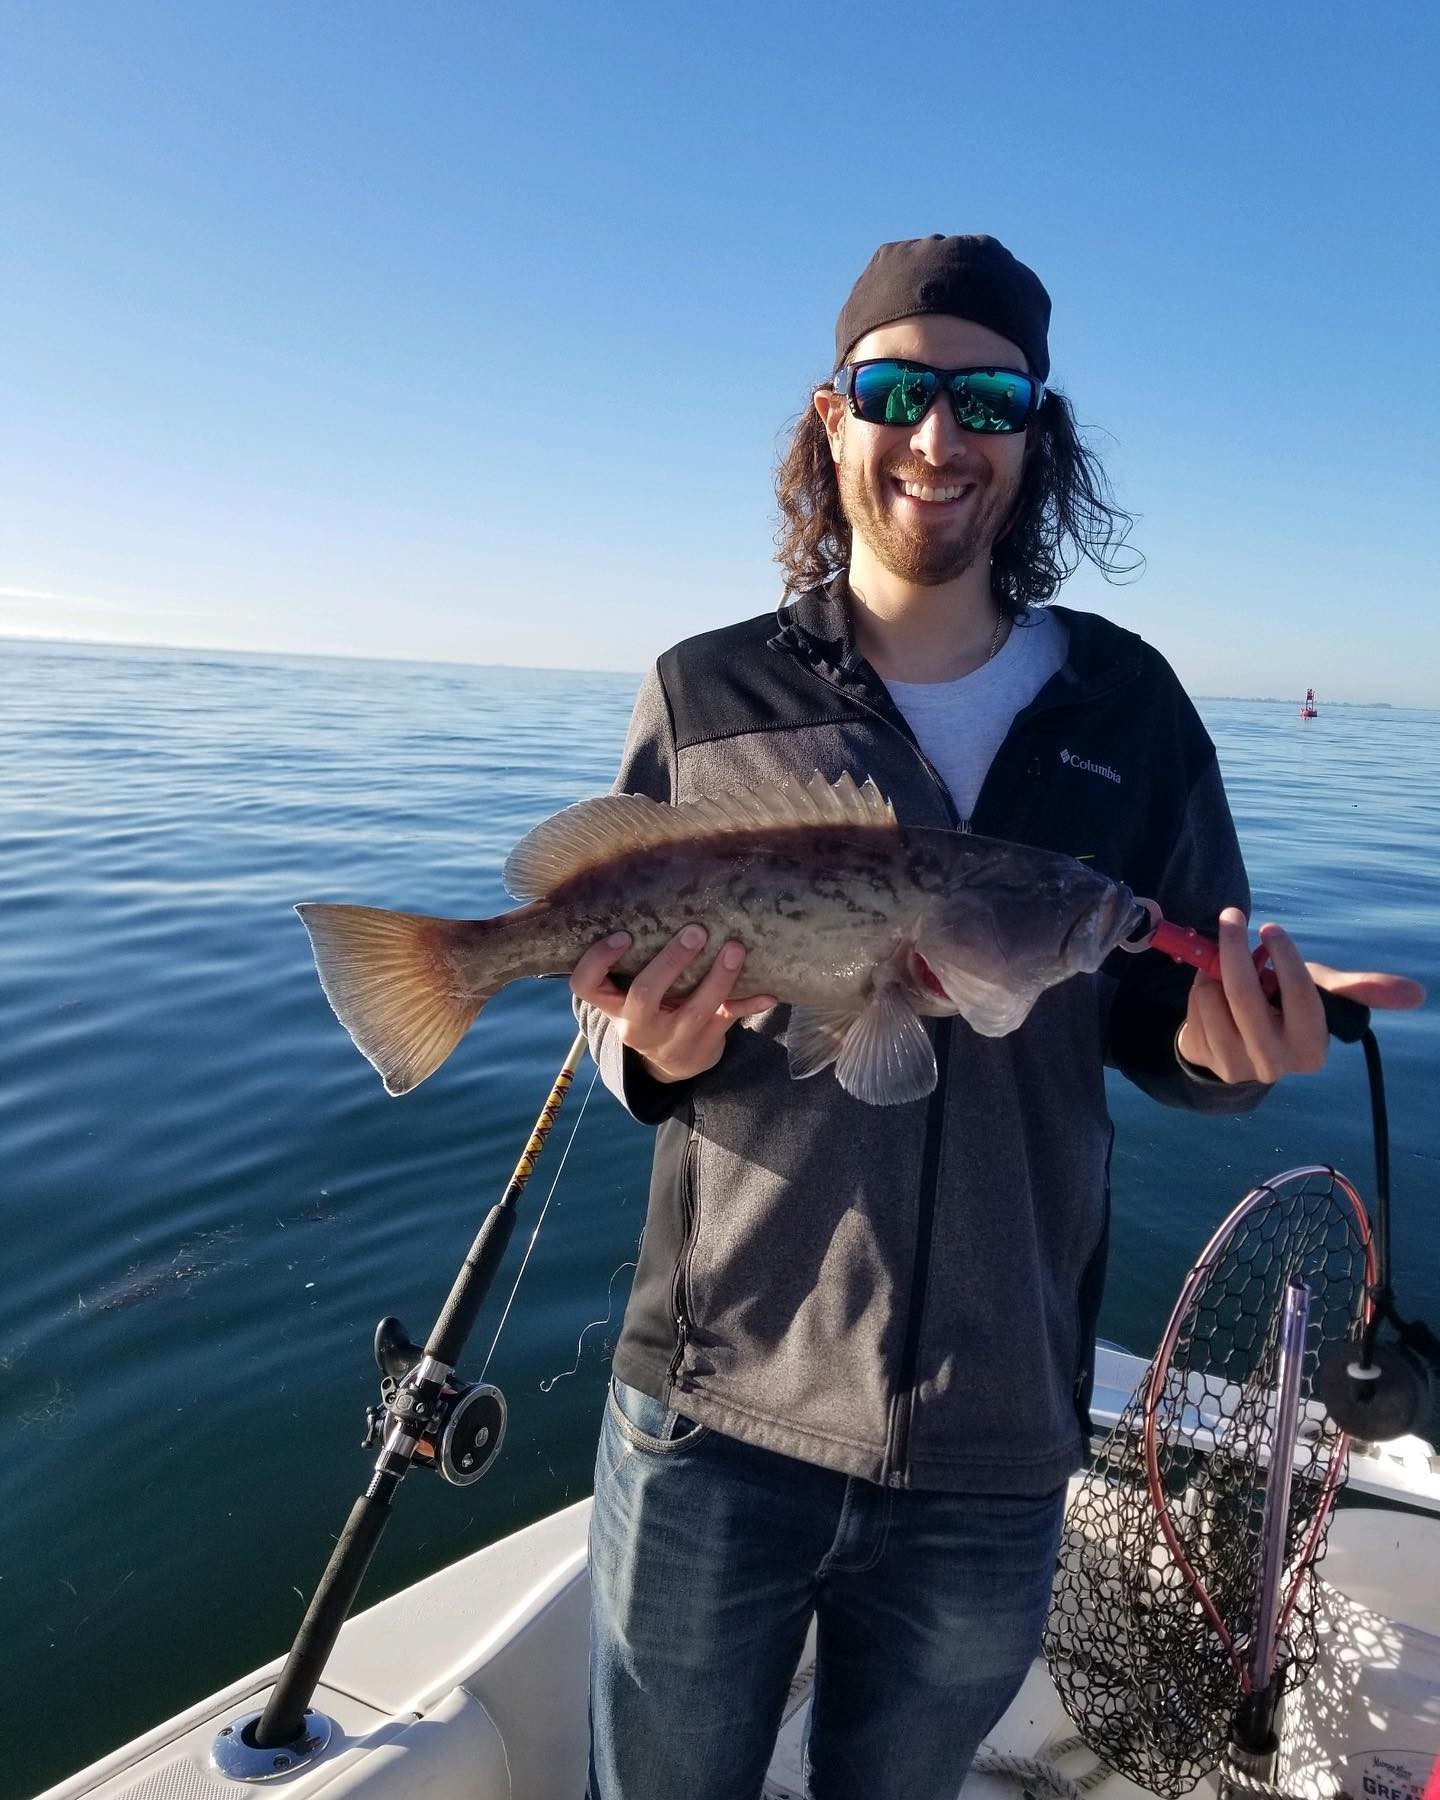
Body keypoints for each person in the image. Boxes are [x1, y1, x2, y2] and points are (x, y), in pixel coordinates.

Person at [569, 234, 1422, 1800]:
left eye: (987, 397)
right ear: (835, 421)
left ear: (1040, 431)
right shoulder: (710, 692)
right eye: (896, 391)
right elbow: (611, 996)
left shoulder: (1132, 708)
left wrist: (1227, 1056)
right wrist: (647, 1051)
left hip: (997, 1438)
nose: (939, 438)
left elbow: (1166, 997)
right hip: (717, 1405)